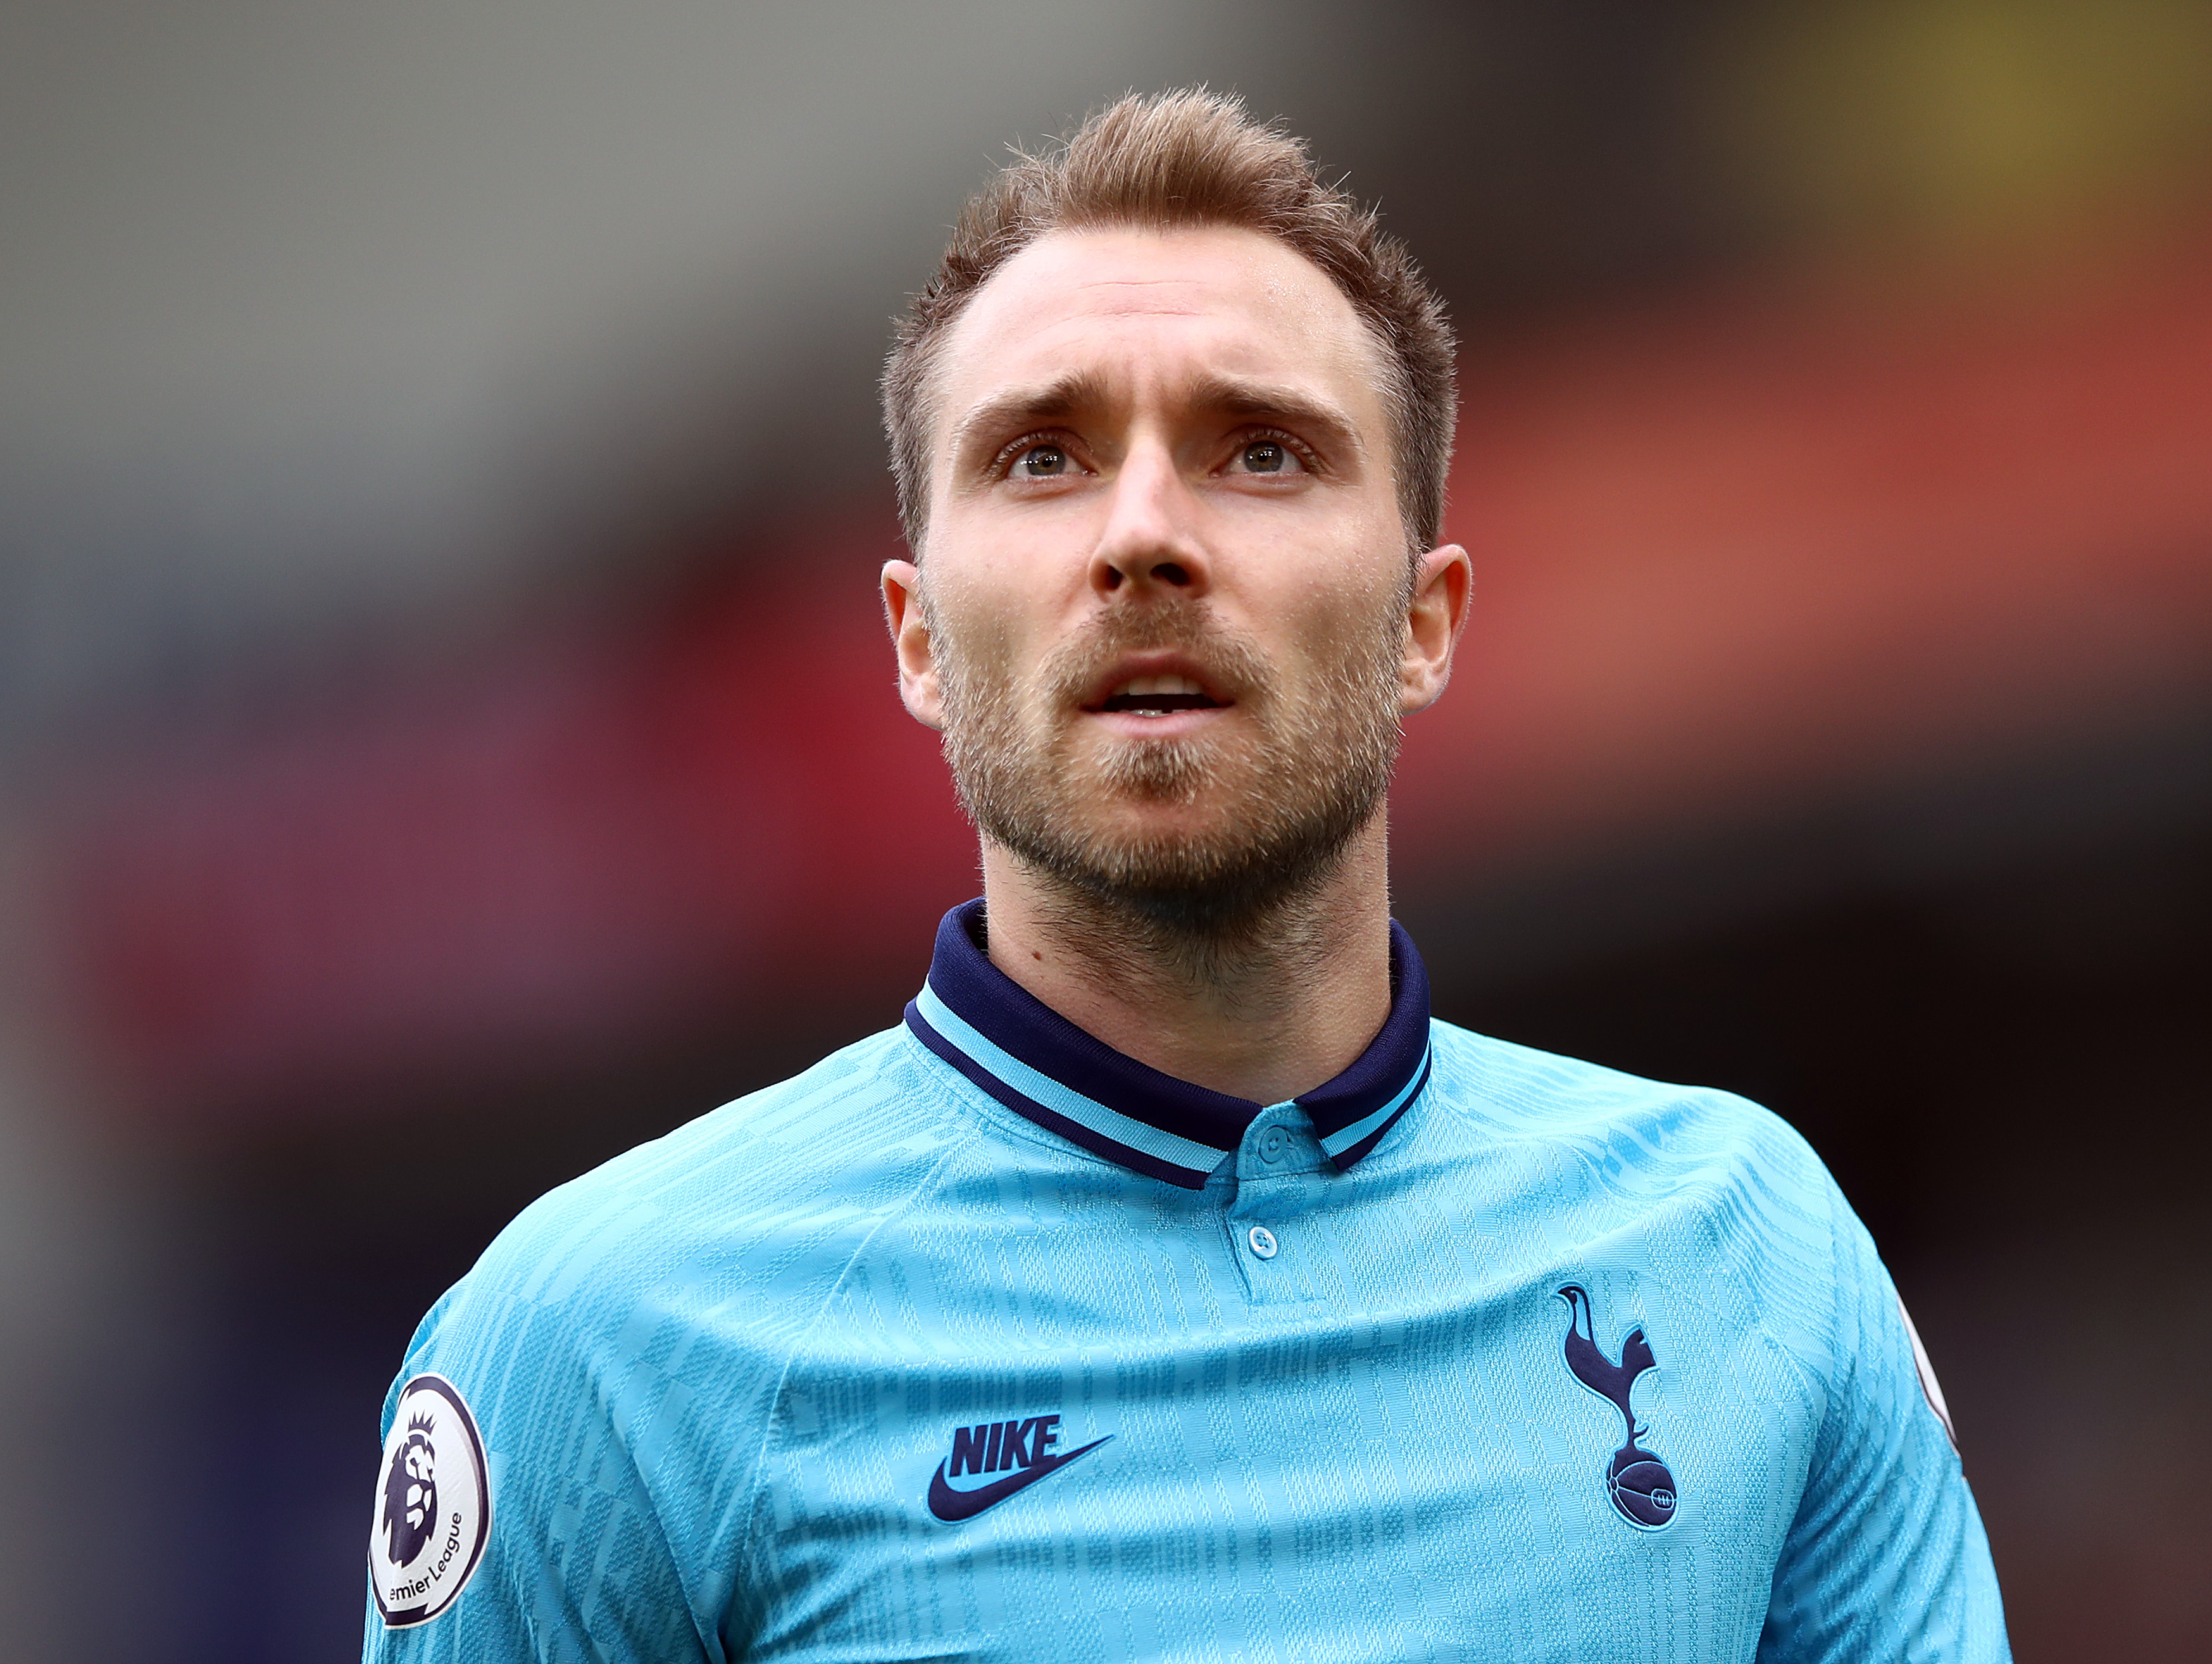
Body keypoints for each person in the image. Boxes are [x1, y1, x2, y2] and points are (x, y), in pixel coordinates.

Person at [362, 89, 2011, 1662]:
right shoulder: (596, 1349)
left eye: (1264, 452)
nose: (1144, 531)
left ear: (1424, 623)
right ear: (920, 640)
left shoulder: (1746, 1250)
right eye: (1041, 457)